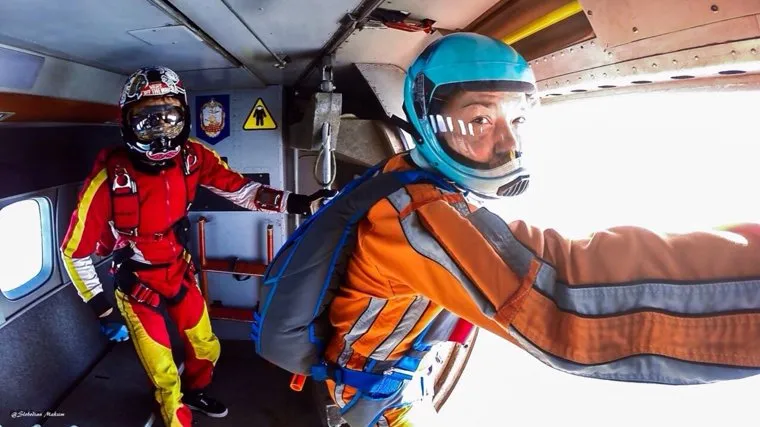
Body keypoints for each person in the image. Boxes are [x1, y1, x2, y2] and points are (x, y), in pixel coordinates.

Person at [310, 33, 760, 426]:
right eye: (480, 119)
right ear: (430, 125)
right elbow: (566, 303)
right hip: (378, 393)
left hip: (402, 365)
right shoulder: (418, 211)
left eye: (517, 119)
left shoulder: (414, 180)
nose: (507, 142)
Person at [60, 66, 331, 427]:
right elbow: (73, 251)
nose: (160, 132)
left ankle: (196, 392)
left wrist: (300, 203)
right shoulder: (108, 178)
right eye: (147, 121)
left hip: (178, 271)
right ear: (127, 123)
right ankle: (176, 416)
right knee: (163, 372)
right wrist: (102, 309)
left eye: (169, 119)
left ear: (184, 118)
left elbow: (243, 191)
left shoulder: (194, 157)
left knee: (206, 346)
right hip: (137, 283)